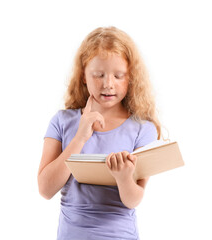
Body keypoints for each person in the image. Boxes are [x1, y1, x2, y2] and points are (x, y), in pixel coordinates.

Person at [38, 26, 161, 240]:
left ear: (130, 77)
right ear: (84, 75)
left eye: (118, 75)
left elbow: (133, 200)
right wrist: (80, 138)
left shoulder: (143, 129)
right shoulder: (62, 121)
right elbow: (45, 189)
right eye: (98, 75)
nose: (108, 84)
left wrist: (123, 178)